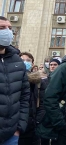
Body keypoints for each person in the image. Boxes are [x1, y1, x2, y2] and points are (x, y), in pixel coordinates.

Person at [0, 16, 30, 145]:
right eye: (2, 28)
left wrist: (19, 127)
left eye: (10, 28)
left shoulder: (17, 61)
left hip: (11, 135)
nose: (7, 32)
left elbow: (24, 96)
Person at [18, 52, 42, 145]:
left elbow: (42, 103)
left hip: (32, 126)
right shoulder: (14, 78)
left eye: (28, 60)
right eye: (22, 60)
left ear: (32, 64)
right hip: (17, 125)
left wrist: (37, 120)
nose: (25, 62)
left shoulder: (37, 81)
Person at [39, 58, 61, 145]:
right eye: (51, 65)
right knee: (44, 139)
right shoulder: (44, 80)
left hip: (57, 114)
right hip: (45, 115)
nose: (52, 66)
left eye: (55, 65)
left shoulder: (62, 79)